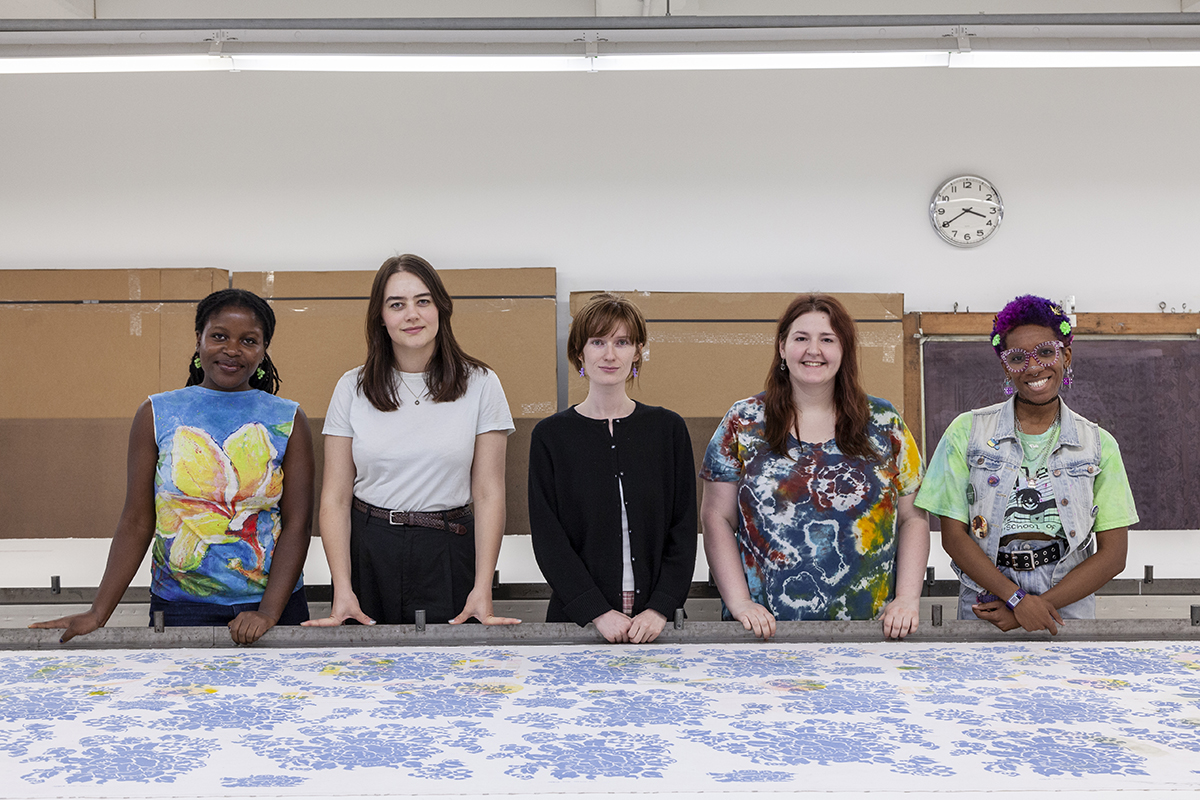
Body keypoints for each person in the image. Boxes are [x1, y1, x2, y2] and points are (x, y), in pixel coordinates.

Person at [31, 289, 315, 645]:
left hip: (275, 606)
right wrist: (98, 612)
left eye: (248, 340)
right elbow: (136, 520)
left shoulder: (288, 418)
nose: (232, 349)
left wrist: (269, 612)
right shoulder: (156, 413)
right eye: (219, 336)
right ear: (199, 339)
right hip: (181, 608)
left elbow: (298, 524)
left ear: (263, 348)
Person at [304, 254, 519, 628]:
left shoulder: (482, 383)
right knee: (369, 675)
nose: (412, 314)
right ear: (380, 318)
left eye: (423, 301)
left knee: (450, 677)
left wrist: (482, 587)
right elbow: (335, 498)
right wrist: (342, 588)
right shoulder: (351, 388)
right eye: (397, 305)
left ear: (441, 308)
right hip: (370, 548)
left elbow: (488, 493)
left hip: (448, 548)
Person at [700, 294, 929, 640]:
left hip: (874, 631)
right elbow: (716, 516)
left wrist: (908, 599)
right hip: (763, 632)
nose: (813, 350)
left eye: (827, 339)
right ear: (782, 347)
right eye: (801, 338)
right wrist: (741, 602)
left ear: (844, 349)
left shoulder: (884, 422)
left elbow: (913, 517)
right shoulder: (743, 421)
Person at [916, 294, 1137, 634]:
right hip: (988, 603)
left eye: (1046, 352)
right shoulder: (967, 432)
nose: (1034, 367)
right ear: (1006, 365)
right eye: (1018, 357)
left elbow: (1114, 555)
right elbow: (953, 537)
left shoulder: (1098, 445)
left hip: (1067, 611)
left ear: (1065, 355)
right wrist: (1016, 600)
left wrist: (1035, 608)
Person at [528, 293, 697, 644]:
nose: (609, 354)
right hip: (578, 624)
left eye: (622, 342)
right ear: (580, 352)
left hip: (657, 627)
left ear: (637, 351)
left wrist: (660, 608)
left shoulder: (668, 430)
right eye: (598, 342)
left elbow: (682, 529)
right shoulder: (551, 437)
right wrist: (596, 612)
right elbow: (548, 538)